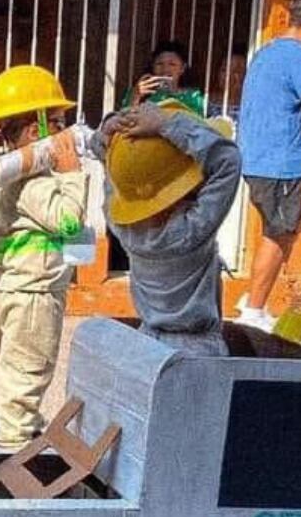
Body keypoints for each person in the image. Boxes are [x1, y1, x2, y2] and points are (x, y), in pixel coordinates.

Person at [0, 65, 88, 449]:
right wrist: (74, 174)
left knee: (21, 367)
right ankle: (15, 445)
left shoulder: (8, 172)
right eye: (58, 123)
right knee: (28, 371)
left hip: (19, 288)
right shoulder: (29, 181)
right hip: (33, 293)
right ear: (36, 131)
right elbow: (69, 221)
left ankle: (24, 431)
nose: (65, 133)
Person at [93, 101, 242, 357]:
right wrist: (168, 124)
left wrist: (105, 135)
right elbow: (228, 160)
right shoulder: (191, 231)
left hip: (148, 345)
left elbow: (117, 178)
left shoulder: (123, 228)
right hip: (198, 351)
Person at [235, 0, 301, 331]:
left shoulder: (267, 52)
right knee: (279, 232)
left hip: (258, 156)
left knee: (286, 227)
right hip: (280, 161)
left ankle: (255, 300)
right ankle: (253, 309)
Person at [123, 41, 206, 117]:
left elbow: (197, 123)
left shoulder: (193, 97)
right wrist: (136, 96)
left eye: (172, 64)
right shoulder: (137, 92)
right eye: (159, 64)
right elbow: (123, 120)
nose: (165, 69)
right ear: (152, 67)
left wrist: (172, 94)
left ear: (182, 68)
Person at [207, 48, 249, 125]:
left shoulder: (251, 106)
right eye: (224, 69)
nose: (229, 75)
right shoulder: (205, 103)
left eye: (237, 70)